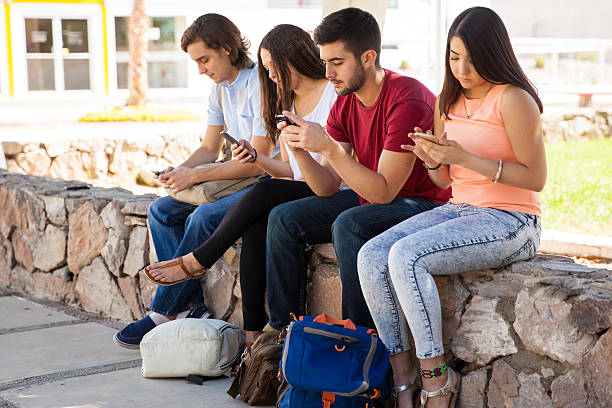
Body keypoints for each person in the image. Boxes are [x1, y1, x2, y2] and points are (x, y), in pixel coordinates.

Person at [357, 7, 546, 408]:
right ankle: (402, 373)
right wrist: (431, 158)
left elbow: (535, 179)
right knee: (372, 254)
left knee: (407, 256)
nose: (462, 67)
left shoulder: (514, 99)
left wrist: (467, 156)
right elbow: (446, 181)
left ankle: (437, 381)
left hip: (513, 219)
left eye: (471, 58)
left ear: (494, 53)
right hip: (460, 210)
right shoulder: (447, 101)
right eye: (454, 56)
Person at [144, 24, 337, 346]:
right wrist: (255, 158)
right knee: (255, 224)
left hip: (331, 188)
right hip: (297, 185)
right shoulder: (286, 101)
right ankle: (253, 335)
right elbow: (288, 169)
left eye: (275, 68)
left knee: (262, 193)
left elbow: (328, 173)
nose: (272, 77)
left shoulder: (332, 94)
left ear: (295, 58)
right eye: (267, 70)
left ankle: (198, 261)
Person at [264, 7, 451, 332]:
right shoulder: (345, 102)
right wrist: (302, 151)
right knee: (283, 217)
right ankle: (285, 334)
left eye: (337, 63)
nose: (329, 72)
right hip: (375, 198)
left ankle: (358, 341)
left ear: (367, 57)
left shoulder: (407, 101)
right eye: (325, 62)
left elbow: (383, 191)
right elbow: (326, 187)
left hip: (425, 203)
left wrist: (328, 148)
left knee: (350, 224)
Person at [114, 14, 275, 349]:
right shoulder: (218, 91)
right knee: (161, 210)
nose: (201, 69)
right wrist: (178, 171)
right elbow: (208, 148)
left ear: (228, 49)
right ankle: (190, 308)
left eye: (204, 59)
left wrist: (196, 175)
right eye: (196, 62)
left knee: (201, 217)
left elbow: (256, 163)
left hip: (260, 183)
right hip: (229, 179)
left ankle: (163, 311)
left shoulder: (260, 84)